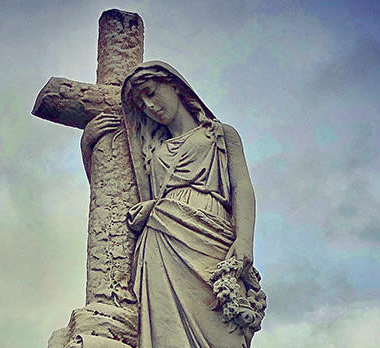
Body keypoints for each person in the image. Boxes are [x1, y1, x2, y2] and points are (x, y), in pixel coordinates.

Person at [82, 61, 265, 348]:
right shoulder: (153, 152)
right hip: (161, 243)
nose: (149, 105)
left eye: (151, 92)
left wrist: (245, 240)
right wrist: (90, 144)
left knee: (224, 331)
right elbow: (113, 198)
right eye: (141, 104)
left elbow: (242, 187)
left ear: (175, 86)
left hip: (211, 237)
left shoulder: (220, 135)